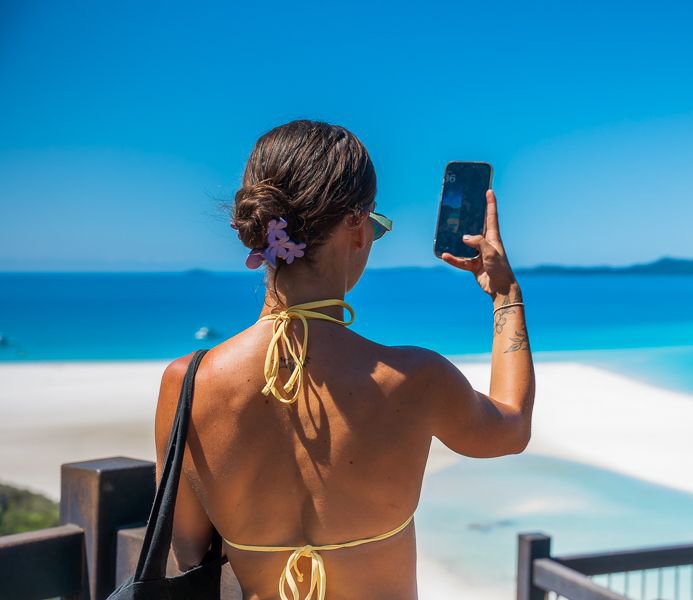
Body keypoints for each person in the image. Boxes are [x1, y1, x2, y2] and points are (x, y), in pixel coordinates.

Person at [154, 119, 535, 600]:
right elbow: (512, 426)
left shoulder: (186, 383)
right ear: (355, 227)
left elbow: (188, 548)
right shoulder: (415, 378)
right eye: (375, 224)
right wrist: (505, 295)